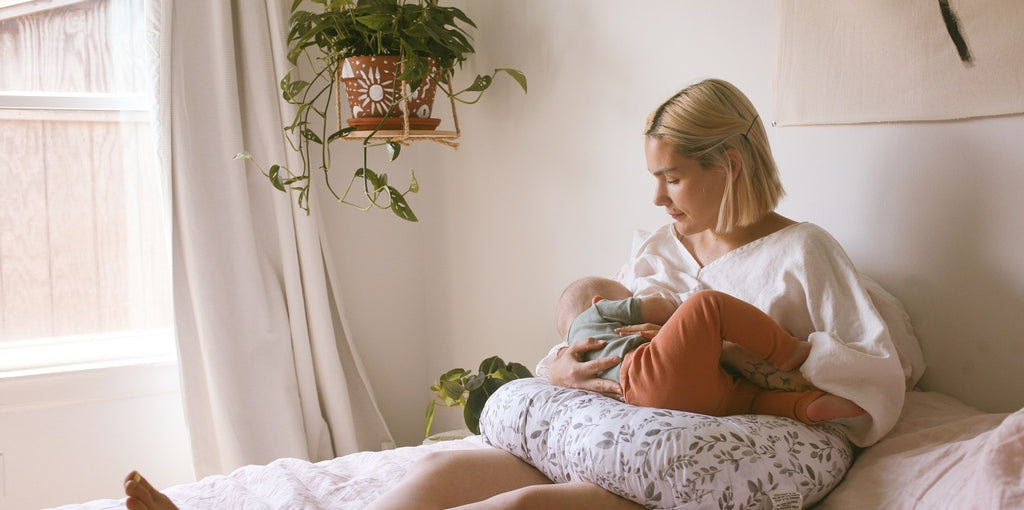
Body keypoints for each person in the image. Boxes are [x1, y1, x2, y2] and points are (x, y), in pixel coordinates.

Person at [122, 78, 914, 510]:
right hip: (610, 425)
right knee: (425, 485)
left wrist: (763, 363)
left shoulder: (802, 253)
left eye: (672, 178)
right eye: (655, 178)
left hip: (682, 461)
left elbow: (880, 367)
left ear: (730, 165)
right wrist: (566, 369)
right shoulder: (658, 251)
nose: (659, 199)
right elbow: (604, 334)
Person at [556, 276, 865, 424]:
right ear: (599, 302)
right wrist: (652, 300)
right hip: (648, 372)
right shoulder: (595, 313)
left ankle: (806, 407)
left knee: (745, 399)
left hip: (646, 403)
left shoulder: (572, 357)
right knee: (708, 304)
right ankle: (787, 350)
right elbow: (663, 308)